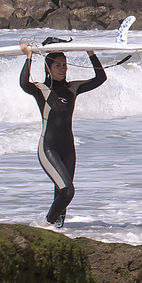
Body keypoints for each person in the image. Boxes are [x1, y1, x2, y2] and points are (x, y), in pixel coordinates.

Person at [20, 42, 106, 227]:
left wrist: (90, 52)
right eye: (57, 65)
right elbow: (23, 83)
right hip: (48, 148)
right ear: (48, 68)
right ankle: (44, 225)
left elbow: (100, 78)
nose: (62, 69)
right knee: (67, 191)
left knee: (61, 194)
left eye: (64, 65)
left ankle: (57, 230)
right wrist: (28, 56)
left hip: (68, 150)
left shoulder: (72, 89)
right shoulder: (41, 90)